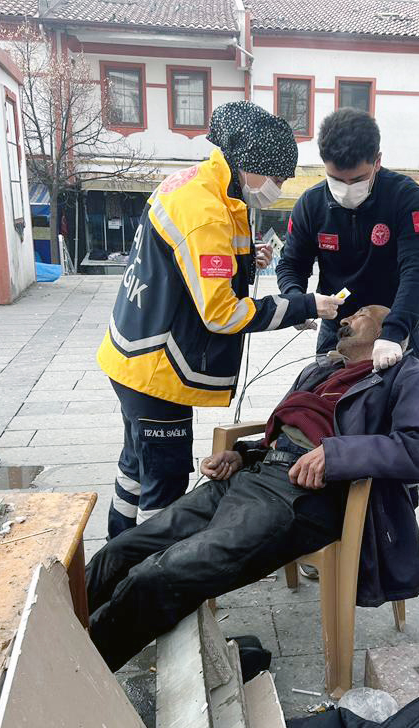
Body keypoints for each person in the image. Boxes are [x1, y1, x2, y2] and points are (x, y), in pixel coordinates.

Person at [86, 305, 419, 671]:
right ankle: (54, 626)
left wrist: (336, 455)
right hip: (254, 475)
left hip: (304, 494)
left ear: (391, 329)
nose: (345, 320)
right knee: (120, 552)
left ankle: (78, 665)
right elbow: (289, 433)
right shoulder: (321, 370)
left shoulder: (409, 376)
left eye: (361, 314)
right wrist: (243, 454)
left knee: (159, 575)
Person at [96, 101, 343, 540]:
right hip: (156, 367)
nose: (279, 186)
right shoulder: (206, 209)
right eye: (278, 176)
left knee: (136, 462)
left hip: (132, 352)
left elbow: (195, 268)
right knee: (165, 484)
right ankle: (152, 574)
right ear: (249, 164)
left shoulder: (207, 187)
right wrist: (308, 306)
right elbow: (223, 312)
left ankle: (116, 547)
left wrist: (248, 262)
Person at [276, 108, 419, 570]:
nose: (345, 188)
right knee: (329, 415)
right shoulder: (311, 204)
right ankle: (321, 522)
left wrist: (397, 331)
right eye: (334, 178)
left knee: (398, 429)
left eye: (357, 178)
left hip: (393, 323)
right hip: (338, 324)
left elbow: (418, 269)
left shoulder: (406, 198)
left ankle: (400, 531)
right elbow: (291, 264)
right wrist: (299, 303)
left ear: (378, 161)